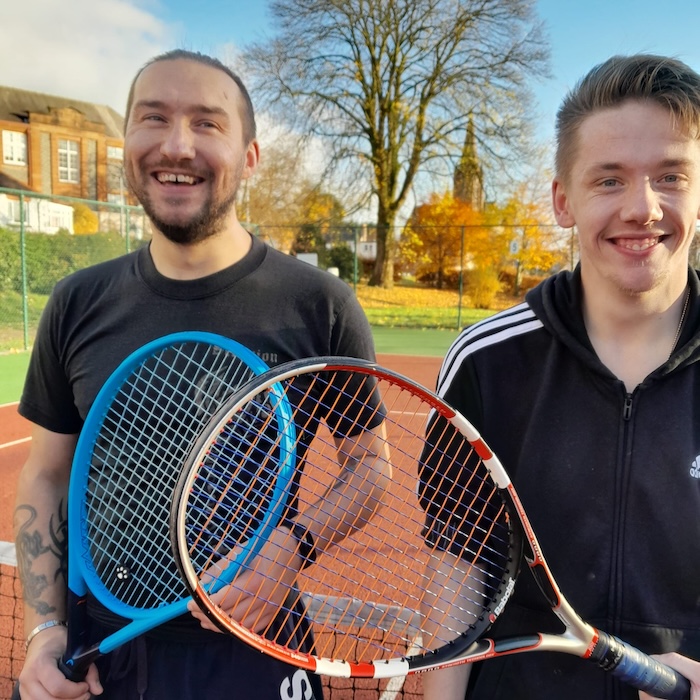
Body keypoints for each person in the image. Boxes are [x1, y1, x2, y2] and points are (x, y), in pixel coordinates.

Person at [13, 49, 387, 700]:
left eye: (208, 124)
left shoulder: (319, 304)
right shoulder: (77, 301)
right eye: (153, 118)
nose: (177, 145)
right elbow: (46, 474)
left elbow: (368, 468)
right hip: (100, 653)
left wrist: (290, 547)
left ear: (249, 158)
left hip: (256, 650)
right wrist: (45, 628)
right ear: (127, 141)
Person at [421, 53, 700, 699]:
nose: (643, 207)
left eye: (671, 176)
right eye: (609, 180)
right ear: (562, 199)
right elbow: (456, 571)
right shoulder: (486, 361)